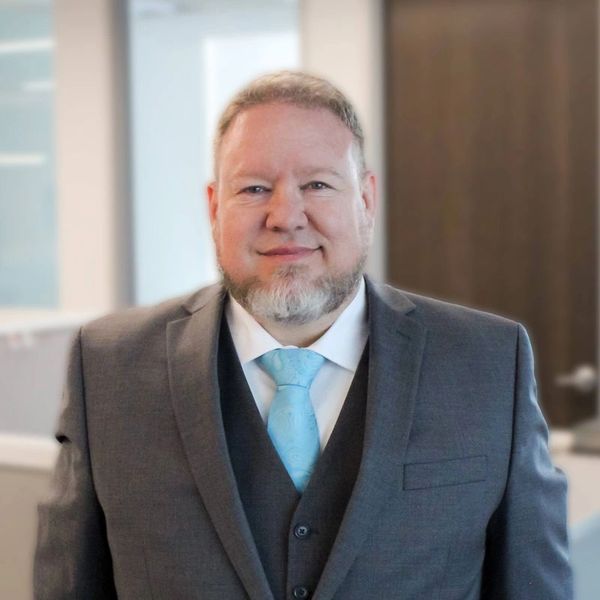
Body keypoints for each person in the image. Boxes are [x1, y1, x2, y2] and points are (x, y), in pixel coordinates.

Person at [34, 71, 572, 600]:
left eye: (317, 184)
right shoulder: (107, 369)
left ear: (365, 200)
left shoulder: (488, 363)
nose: (286, 216)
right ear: (214, 208)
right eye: (254, 188)